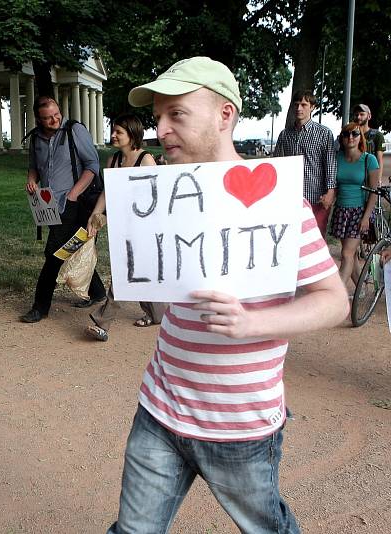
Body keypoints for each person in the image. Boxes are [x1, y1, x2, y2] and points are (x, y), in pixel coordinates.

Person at [107, 56, 349, 534]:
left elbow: (335, 301)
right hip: (160, 408)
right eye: (157, 117)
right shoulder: (161, 195)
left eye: (176, 114)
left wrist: (251, 324)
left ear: (225, 115)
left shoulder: (280, 204)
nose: (161, 130)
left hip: (240, 427)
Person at [20, 96, 107, 323]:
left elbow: (92, 166)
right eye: (48, 118)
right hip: (50, 206)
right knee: (73, 247)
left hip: (76, 203)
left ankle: (40, 307)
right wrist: (32, 180)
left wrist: (73, 194)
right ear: (38, 119)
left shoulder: (74, 130)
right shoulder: (36, 138)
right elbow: (34, 166)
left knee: (54, 253)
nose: (55, 120)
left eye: (57, 114)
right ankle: (97, 292)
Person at [84, 114, 161, 342]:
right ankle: (160, 314)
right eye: (113, 131)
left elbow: (156, 195)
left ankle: (102, 323)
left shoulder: (146, 160)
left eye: (119, 132)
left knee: (124, 273)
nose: (113, 135)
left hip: (145, 228)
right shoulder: (113, 160)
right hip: (122, 227)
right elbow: (108, 193)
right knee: (139, 273)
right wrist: (96, 214)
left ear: (132, 134)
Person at [273, 90, 337, 238]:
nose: (299, 108)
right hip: (292, 198)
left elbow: (330, 163)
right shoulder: (285, 134)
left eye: (303, 104)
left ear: (312, 107)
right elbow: (277, 163)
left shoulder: (324, 133)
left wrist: (330, 191)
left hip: (317, 198)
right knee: (292, 240)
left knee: (315, 241)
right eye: (296, 105)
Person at [329, 123, 380, 287]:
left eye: (355, 133)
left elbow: (374, 191)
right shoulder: (337, 159)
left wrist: (366, 217)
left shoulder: (369, 160)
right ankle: (361, 291)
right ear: (341, 138)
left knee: (346, 253)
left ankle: (337, 295)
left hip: (359, 211)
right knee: (352, 255)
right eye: (346, 134)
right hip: (341, 211)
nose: (350, 137)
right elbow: (334, 186)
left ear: (360, 137)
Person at [353, 104, 385, 181]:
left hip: (369, 177)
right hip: (353, 177)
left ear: (369, 116)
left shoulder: (377, 136)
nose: (358, 117)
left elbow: (379, 160)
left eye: (362, 114)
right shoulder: (350, 135)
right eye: (356, 114)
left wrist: (378, 180)